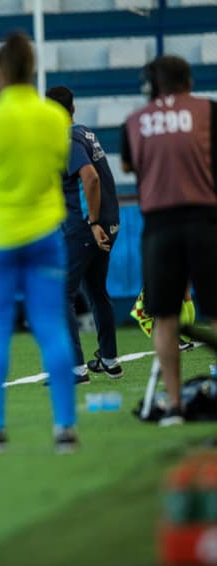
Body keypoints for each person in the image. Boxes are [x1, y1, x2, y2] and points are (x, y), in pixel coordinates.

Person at [0, 32, 77, 453]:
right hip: (43, 232)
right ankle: (65, 429)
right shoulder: (55, 118)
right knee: (51, 327)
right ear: (32, 69)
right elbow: (58, 163)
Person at [120, 55, 217, 426]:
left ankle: (174, 406)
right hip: (204, 220)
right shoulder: (208, 111)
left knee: (164, 317)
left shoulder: (135, 120)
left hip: (159, 225)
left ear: (153, 86)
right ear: (188, 82)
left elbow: (129, 165)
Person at [46, 85, 122, 384]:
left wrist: (92, 221)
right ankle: (109, 359)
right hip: (108, 224)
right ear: (73, 108)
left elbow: (90, 178)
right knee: (97, 291)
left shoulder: (67, 139)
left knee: (59, 294)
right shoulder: (85, 133)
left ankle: (75, 369)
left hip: (85, 228)